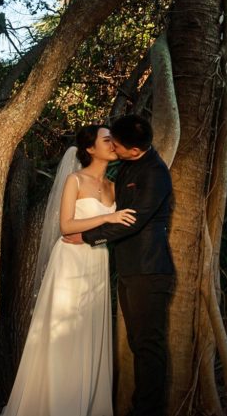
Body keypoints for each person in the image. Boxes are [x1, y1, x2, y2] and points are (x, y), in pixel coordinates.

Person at [0, 125, 136, 416]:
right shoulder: (75, 180)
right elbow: (66, 226)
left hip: (97, 261)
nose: (113, 144)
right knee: (62, 333)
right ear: (90, 149)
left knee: (88, 332)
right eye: (107, 140)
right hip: (69, 264)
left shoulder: (114, 187)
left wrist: (107, 223)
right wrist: (109, 217)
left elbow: (117, 228)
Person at [64, 114, 176, 416]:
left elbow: (131, 222)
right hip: (129, 271)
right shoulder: (127, 163)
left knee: (148, 348)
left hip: (149, 272)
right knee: (139, 343)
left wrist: (87, 236)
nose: (112, 146)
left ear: (135, 151)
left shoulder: (155, 174)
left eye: (117, 144)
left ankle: (146, 411)